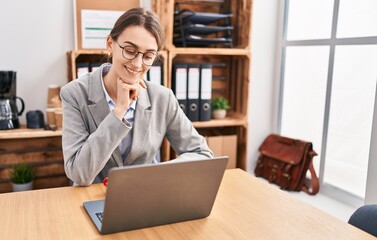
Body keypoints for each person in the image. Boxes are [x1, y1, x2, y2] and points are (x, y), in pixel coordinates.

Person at [60, 7, 213, 186]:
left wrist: (158, 174)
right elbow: (78, 174)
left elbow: (202, 154)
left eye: (148, 56)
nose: (138, 64)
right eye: (130, 51)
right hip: (93, 199)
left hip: (145, 199)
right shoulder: (74, 94)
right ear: (110, 44)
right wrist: (118, 113)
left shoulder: (162, 98)